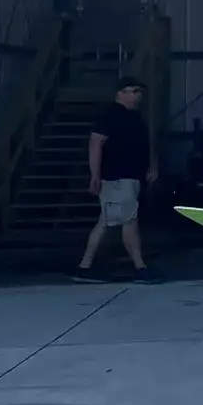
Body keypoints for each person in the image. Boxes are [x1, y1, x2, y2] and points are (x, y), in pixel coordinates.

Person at [76, 77, 160, 282]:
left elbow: (145, 143)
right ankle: (140, 267)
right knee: (128, 221)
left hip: (130, 177)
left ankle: (85, 266)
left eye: (138, 91)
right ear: (119, 93)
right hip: (116, 176)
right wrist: (95, 175)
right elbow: (95, 144)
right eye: (131, 91)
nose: (136, 95)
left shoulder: (136, 117)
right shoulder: (109, 115)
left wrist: (152, 165)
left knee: (106, 221)